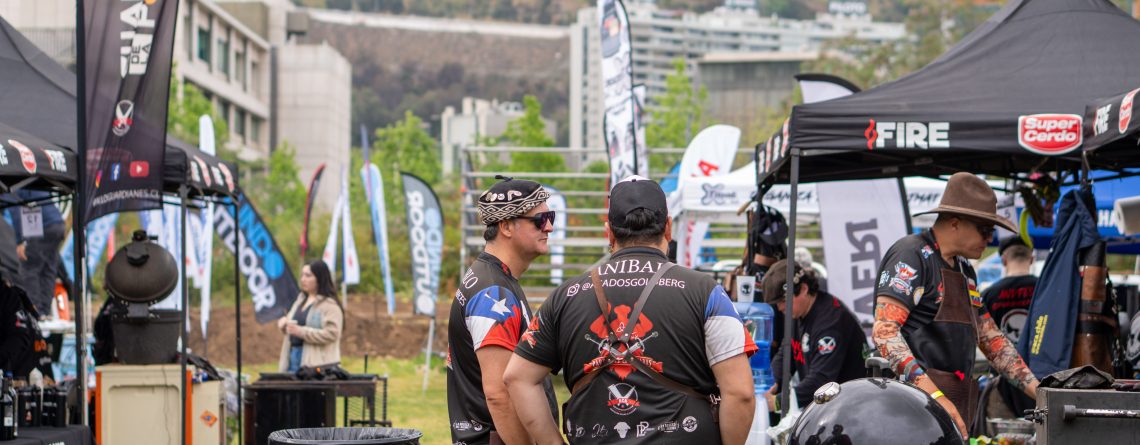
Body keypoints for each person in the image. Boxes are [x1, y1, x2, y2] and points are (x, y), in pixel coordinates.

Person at [504, 176, 757, 445]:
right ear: (668, 227)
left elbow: (517, 377)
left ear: (609, 232)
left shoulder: (565, 295)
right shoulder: (706, 291)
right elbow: (740, 393)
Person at [872, 172, 1039, 438]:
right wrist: (934, 395)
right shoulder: (912, 254)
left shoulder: (965, 269)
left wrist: (1040, 393)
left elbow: (991, 339)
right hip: (909, 414)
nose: (990, 239)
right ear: (955, 223)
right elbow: (885, 332)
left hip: (952, 414)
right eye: (985, 230)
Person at [447, 176, 558, 445]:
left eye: (551, 217)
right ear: (506, 226)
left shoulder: (493, 279)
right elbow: (499, 394)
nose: (550, 227)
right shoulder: (493, 292)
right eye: (540, 220)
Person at [763, 259, 865, 411]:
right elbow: (786, 353)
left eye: (784, 300)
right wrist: (769, 383)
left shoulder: (830, 322)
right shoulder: (798, 311)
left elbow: (820, 382)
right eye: (777, 303)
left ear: (804, 288)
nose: (780, 307)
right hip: (826, 406)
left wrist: (778, 402)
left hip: (851, 407)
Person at [980, 236, 1038, 419]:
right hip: (1042, 379)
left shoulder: (989, 294)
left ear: (1003, 260)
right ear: (1032, 259)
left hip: (1002, 381)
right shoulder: (1044, 290)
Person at [5, 190, 65, 318]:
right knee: (48, 269)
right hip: (58, 224)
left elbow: (15, 210)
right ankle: (45, 312)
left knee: (29, 267)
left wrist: (21, 241)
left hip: (43, 226)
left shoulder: (9, 185)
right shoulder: (31, 183)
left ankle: (36, 312)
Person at [277, 260, 343, 372]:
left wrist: (301, 332)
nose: (303, 279)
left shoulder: (330, 305)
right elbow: (292, 328)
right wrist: (284, 325)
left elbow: (332, 334)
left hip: (316, 365)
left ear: (320, 278)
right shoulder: (300, 300)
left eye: (308, 276)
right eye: (302, 275)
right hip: (292, 358)